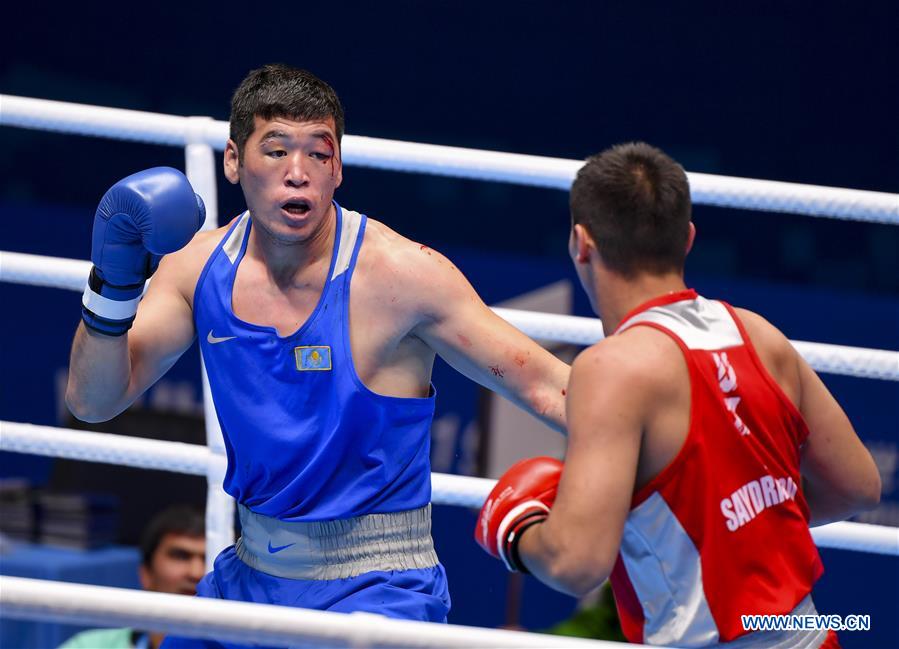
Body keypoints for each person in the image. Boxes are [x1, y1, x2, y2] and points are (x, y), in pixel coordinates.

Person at [65, 63, 570, 642]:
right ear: (233, 161)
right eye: (276, 151)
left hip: (377, 590)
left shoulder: (401, 276)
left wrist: (668, 440)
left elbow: (548, 386)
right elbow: (93, 401)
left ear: (339, 169)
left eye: (318, 154)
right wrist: (113, 284)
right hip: (249, 578)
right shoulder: (196, 268)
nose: (297, 174)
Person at [475, 142, 882, 647]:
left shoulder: (611, 368)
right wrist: (736, 528)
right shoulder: (757, 334)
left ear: (581, 243)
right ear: (687, 238)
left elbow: (574, 562)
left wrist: (517, 533)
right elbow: (858, 485)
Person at [60, 505, 206, 649]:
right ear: (146, 574)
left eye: (208, 559)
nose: (196, 573)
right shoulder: (88, 646)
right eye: (180, 556)